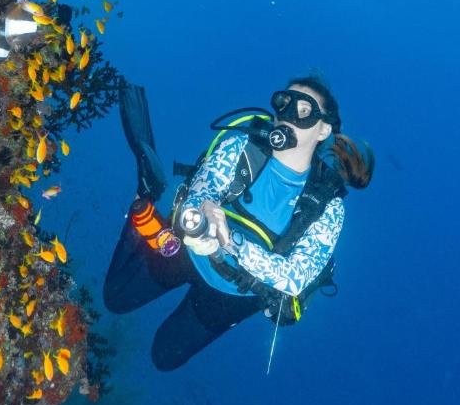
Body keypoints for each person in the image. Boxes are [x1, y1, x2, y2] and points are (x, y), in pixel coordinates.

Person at [104, 76, 373, 371]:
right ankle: (145, 199)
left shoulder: (328, 206)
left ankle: (148, 201)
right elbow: (202, 188)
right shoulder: (242, 146)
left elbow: (295, 277)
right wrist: (201, 214)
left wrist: (230, 241)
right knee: (115, 299)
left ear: (324, 130)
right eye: (283, 104)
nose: (289, 116)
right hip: (188, 251)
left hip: (236, 293)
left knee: (164, 357)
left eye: (304, 110)